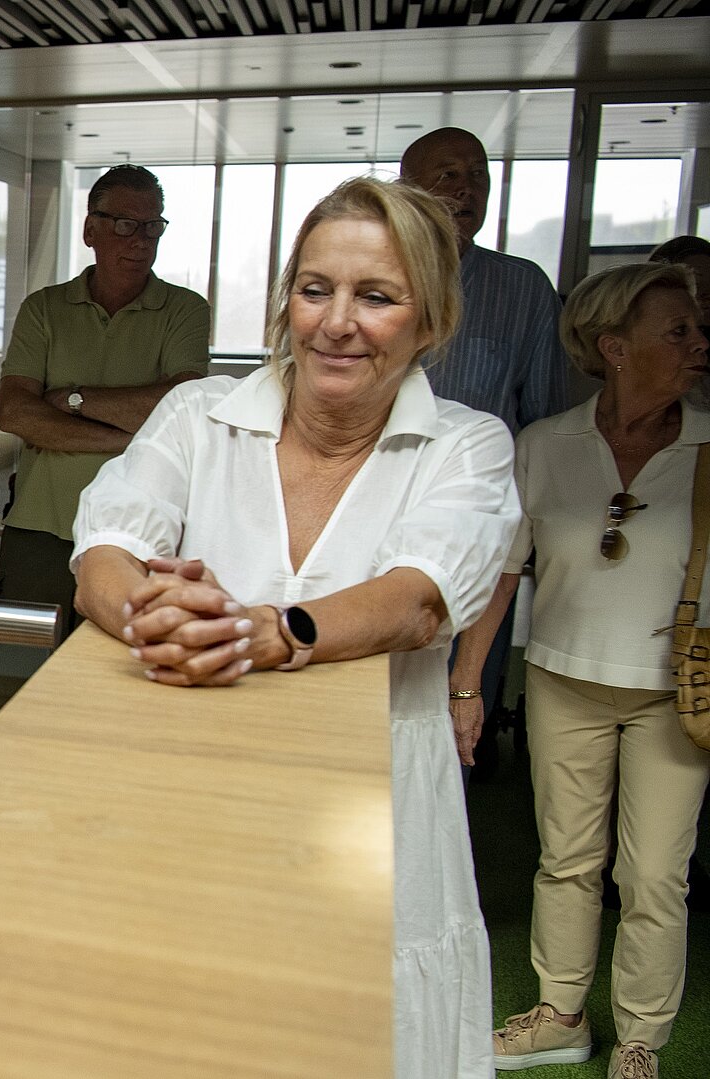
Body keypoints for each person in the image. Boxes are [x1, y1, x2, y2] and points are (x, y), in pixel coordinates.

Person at [70, 176, 518, 1078]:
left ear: (429, 321)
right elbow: (104, 548)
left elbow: (424, 596)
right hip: (199, 801)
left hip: (378, 813)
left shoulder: (469, 444)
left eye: (377, 296)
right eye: (315, 289)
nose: (337, 321)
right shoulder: (200, 415)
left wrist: (272, 632)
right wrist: (152, 611)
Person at [481, 263, 710, 1079]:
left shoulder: (709, 443)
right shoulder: (545, 445)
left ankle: (641, 1038)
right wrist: (470, 685)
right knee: (567, 857)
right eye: (676, 331)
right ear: (615, 347)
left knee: (653, 872)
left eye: (695, 329)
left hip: (674, 694)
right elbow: (503, 573)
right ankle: (561, 1014)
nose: (697, 344)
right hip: (559, 677)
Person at [0, 162, 209, 707]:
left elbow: (180, 408)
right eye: (125, 224)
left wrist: (73, 401)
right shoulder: (44, 309)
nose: (141, 240)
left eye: (153, 226)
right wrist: (132, 436)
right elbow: (16, 413)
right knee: (16, 684)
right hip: (41, 527)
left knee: (125, 685)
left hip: (143, 539)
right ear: (90, 230)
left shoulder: (185, 310)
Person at [402, 127, 578, 746]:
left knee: (456, 711)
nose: (465, 188)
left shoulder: (522, 287)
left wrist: (525, 544)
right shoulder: (373, 274)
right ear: (407, 188)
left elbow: (547, 425)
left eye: (477, 174)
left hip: (475, 539)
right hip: (367, 523)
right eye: (446, 174)